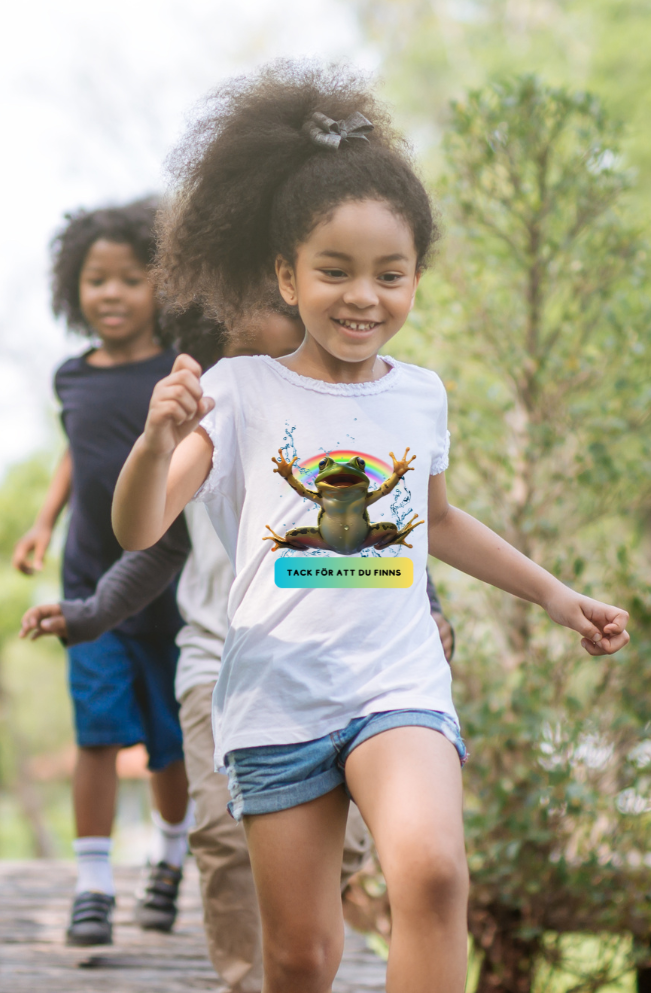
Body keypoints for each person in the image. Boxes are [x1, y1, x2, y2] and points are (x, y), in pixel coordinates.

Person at [111, 61, 630, 993]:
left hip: (398, 685)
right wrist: (156, 444)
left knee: (431, 872)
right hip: (276, 699)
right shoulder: (238, 391)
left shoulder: (421, 396)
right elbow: (139, 528)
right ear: (286, 275)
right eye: (335, 272)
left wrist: (556, 595)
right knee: (304, 957)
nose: (363, 296)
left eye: (390, 275)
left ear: (415, 279)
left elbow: (436, 523)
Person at [22, 302, 456, 993]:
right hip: (221, 664)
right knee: (226, 841)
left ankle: (295, 958)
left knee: (338, 860)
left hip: (349, 677)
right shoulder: (219, 415)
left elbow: (402, 536)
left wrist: (431, 611)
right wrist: (87, 615)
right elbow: (151, 546)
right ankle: (246, 979)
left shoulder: (354, 411)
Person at [12, 199, 192, 946]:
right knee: (96, 733)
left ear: (163, 286)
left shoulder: (179, 370)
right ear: (73, 288)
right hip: (88, 581)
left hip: (167, 589)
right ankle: (92, 885)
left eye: (129, 278)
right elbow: (73, 450)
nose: (111, 293)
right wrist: (43, 520)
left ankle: (169, 862)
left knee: (168, 741)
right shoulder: (71, 376)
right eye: (96, 280)